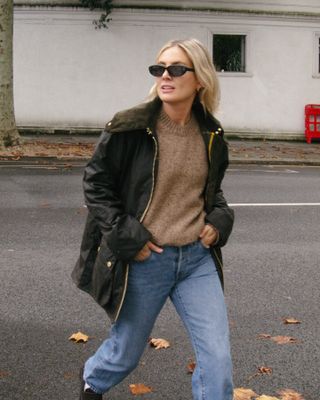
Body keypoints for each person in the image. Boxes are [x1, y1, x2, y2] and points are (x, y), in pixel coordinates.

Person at [72, 38, 234, 400]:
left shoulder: (212, 134)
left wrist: (219, 221)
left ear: (200, 79)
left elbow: (214, 194)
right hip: (148, 259)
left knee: (218, 361)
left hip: (196, 261)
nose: (165, 75)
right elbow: (96, 185)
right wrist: (126, 234)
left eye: (176, 69)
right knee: (125, 353)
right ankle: (92, 382)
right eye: (159, 68)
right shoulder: (130, 127)